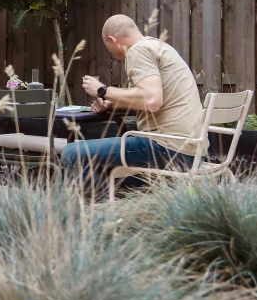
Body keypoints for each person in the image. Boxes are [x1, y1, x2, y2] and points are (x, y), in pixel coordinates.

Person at [60, 14, 204, 196]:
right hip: (192, 152)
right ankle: (125, 206)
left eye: (108, 47)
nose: (111, 53)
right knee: (110, 175)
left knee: (73, 154)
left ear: (113, 40)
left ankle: (104, 213)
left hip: (166, 148)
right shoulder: (159, 47)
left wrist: (102, 90)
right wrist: (112, 105)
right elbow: (151, 97)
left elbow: (152, 100)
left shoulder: (138, 51)